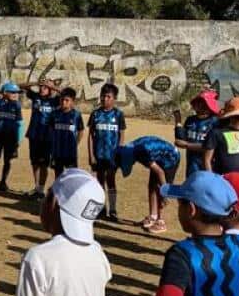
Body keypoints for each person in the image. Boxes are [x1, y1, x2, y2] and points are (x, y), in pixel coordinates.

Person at [116, 135, 181, 234]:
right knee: (152, 185)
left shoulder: (141, 153)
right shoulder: (131, 148)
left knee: (160, 188)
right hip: (158, 157)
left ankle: (160, 221)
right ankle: (153, 216)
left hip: (171, 158)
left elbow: (160, 172)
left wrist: (165, 193)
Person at [87, 84, 126, 220]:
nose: (105, 99)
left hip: (112, 155)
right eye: (103, 96)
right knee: (99, 181)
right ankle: (101, 208)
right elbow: (91, 135)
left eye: (108, 96)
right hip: (99, 154)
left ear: (114, 98)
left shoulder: (118, 115)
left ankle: (113, 210)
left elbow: (121, 135)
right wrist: (91, 155)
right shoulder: (95, 114)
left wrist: (120, 152)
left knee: (111, 179)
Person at [22, 79, 59, 199]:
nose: (42, 89)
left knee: (44, 164)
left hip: (47, 136)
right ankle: (37, 188)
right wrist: (36, 83)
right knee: (34, 162)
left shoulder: (55, 100)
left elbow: (68, 95)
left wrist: (53, 87)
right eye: (42, 87)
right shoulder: (35, 96)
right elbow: (22, 86)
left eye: (45, 87)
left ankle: (41, 189)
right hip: (34, 134)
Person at [203, 95, 239, 175]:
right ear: (231, 117)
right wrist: (211, 178)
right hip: (223, 178)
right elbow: (207, 159)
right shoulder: (216, 133)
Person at [173, 90, 220, 178]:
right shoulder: (191, 120)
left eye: (202, 103)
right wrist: (178, 122)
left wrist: (187, 145)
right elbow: (180, 140)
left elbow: (211, 147)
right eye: (197, 103)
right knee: (193, 183)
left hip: (209, 164)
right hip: (192, 163)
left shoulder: (215, 122)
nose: (198, 106)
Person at [48, 88, 85, 178]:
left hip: (70, 152)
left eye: (67, 100)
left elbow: (81, 130)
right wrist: (53, 142)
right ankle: (59, 192)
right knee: (58, 174)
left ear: (72, 101)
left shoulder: (76, 115)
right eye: (62, 99)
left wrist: (75, 143)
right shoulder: (54, 114)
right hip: (57, 151)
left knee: (71, 175)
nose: (64, 102)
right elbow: (50, 128)